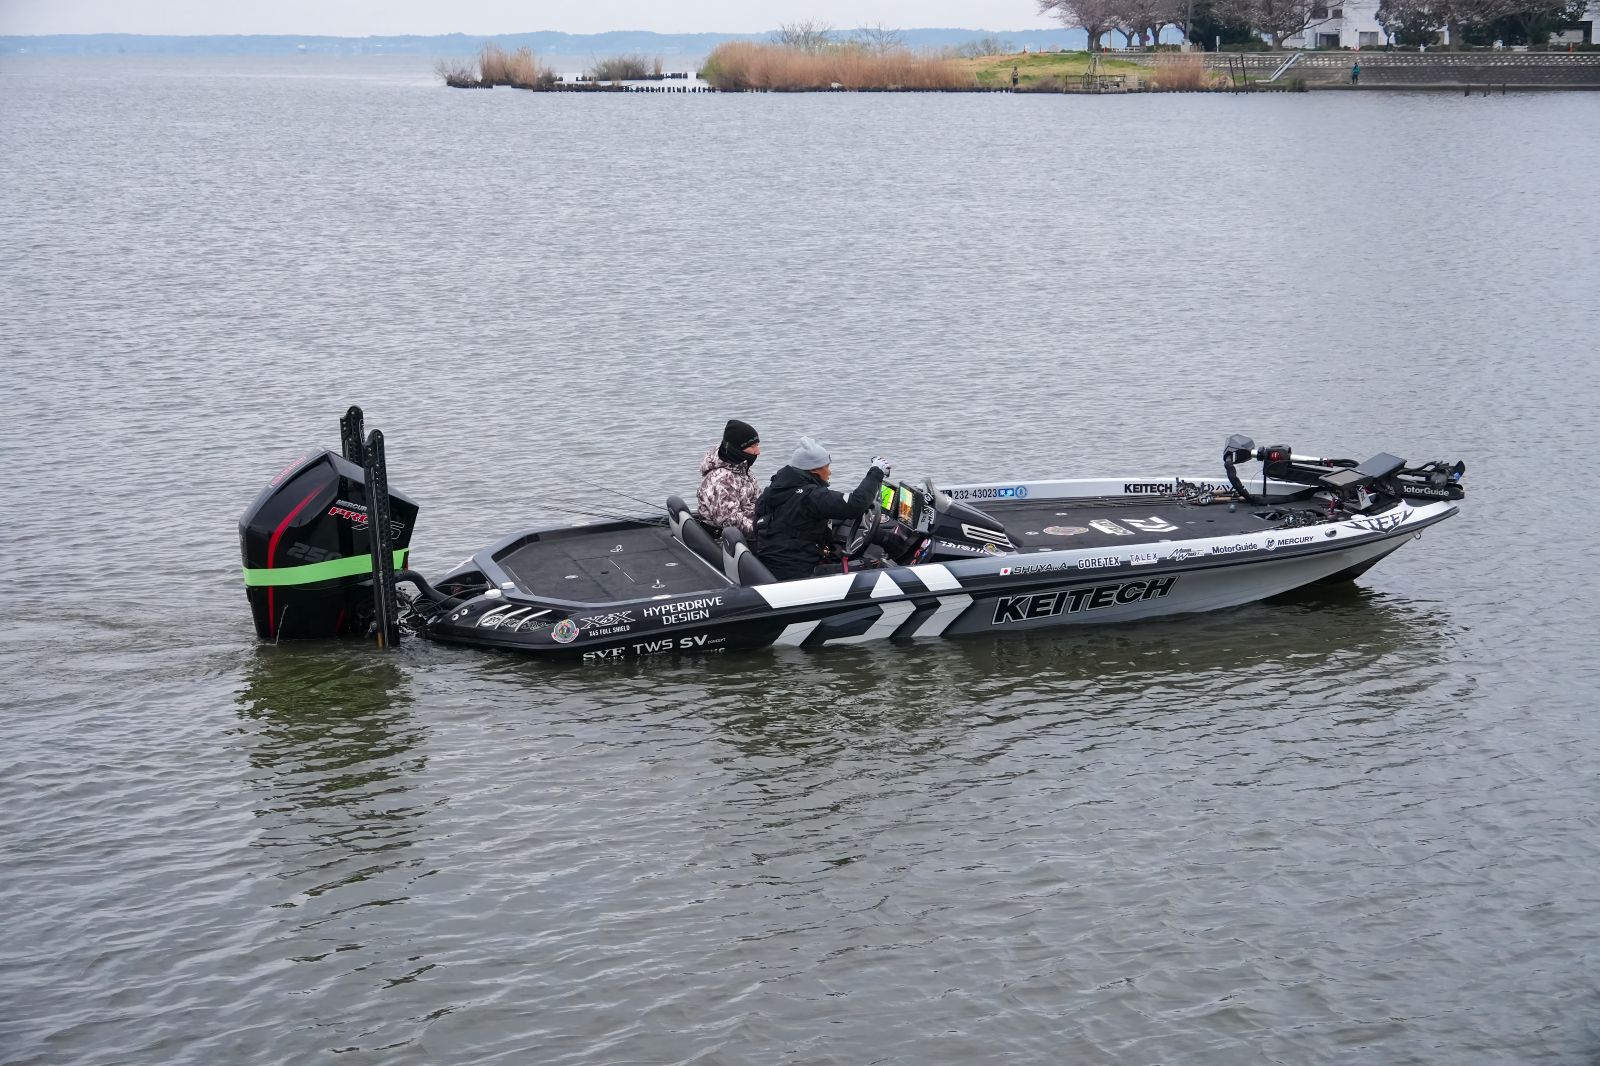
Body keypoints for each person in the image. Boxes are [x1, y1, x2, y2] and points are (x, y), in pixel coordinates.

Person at [755, 437, 889, 581]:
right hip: (800, 574)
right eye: (827, 467)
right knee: (875, 566)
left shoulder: (772, 491)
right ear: (814, 470)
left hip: (775, 565)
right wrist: (876, 472)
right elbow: (855, 504)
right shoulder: (810, 496)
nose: (829, 472)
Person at [697, 419, 760, 537]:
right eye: (752, 447)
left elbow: (758, 502)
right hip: (728, 538)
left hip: (752, 526)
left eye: (757, 445)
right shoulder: (721, 480)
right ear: (737, 449)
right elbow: (729, 521)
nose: (758, 452)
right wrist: (764, 531)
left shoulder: (743, 470)